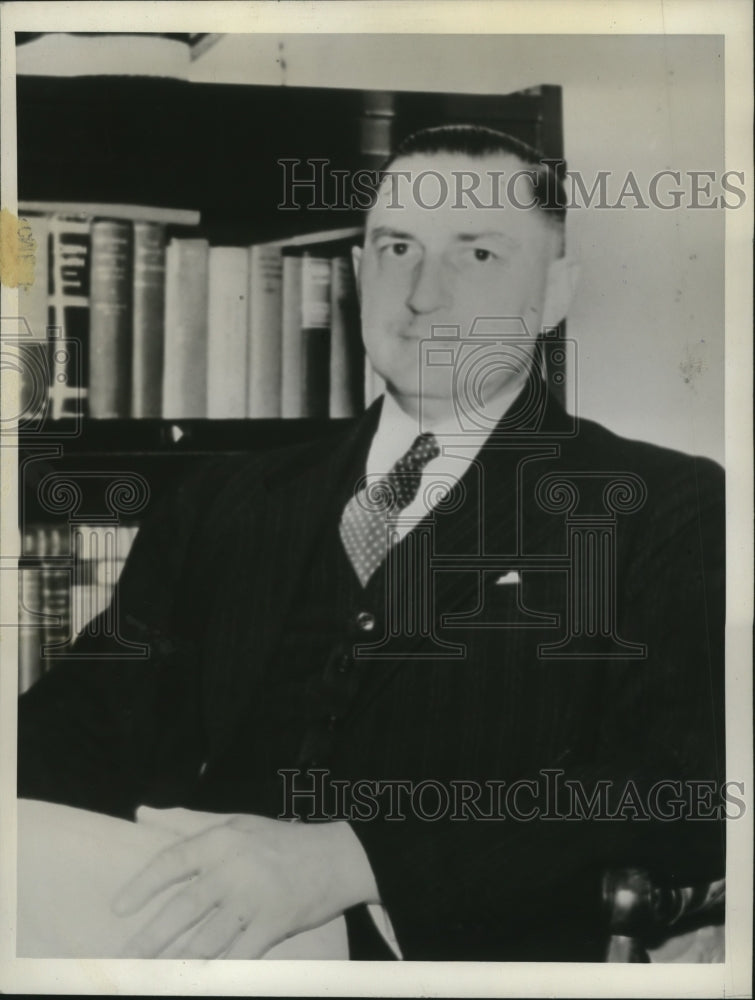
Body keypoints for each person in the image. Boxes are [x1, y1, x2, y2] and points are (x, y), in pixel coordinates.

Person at [18, 125, 725, 962]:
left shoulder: (661, 505)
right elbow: (76, 729)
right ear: (358, 274)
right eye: (397, 248)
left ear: (554, 292)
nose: (423, 294)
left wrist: (353, 858)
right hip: (174, 930)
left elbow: (677, 787)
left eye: (478, 254)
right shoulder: (226, 499)